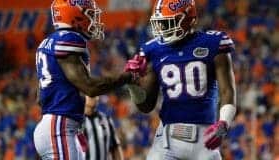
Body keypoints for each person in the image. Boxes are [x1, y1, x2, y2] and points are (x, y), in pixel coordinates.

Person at [124, 0, 237, 159]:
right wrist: (132, 83)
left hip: (205, 138)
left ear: (188, 19)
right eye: (161, 23)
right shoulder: (153, 49)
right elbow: (146, 106)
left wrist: (224, 123)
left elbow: (227, 91)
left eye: (169, 23)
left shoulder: (214, 43)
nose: (163, 29)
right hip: (167, 139)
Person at [33, 0, 134, 159]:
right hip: (60, 127)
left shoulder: (47, 42)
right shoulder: (69, 39)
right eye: (89, 15)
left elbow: (40, 98)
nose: (93, 20)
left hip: (54, 125)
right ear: (73, 16)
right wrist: (126, 77)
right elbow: (90, 87)